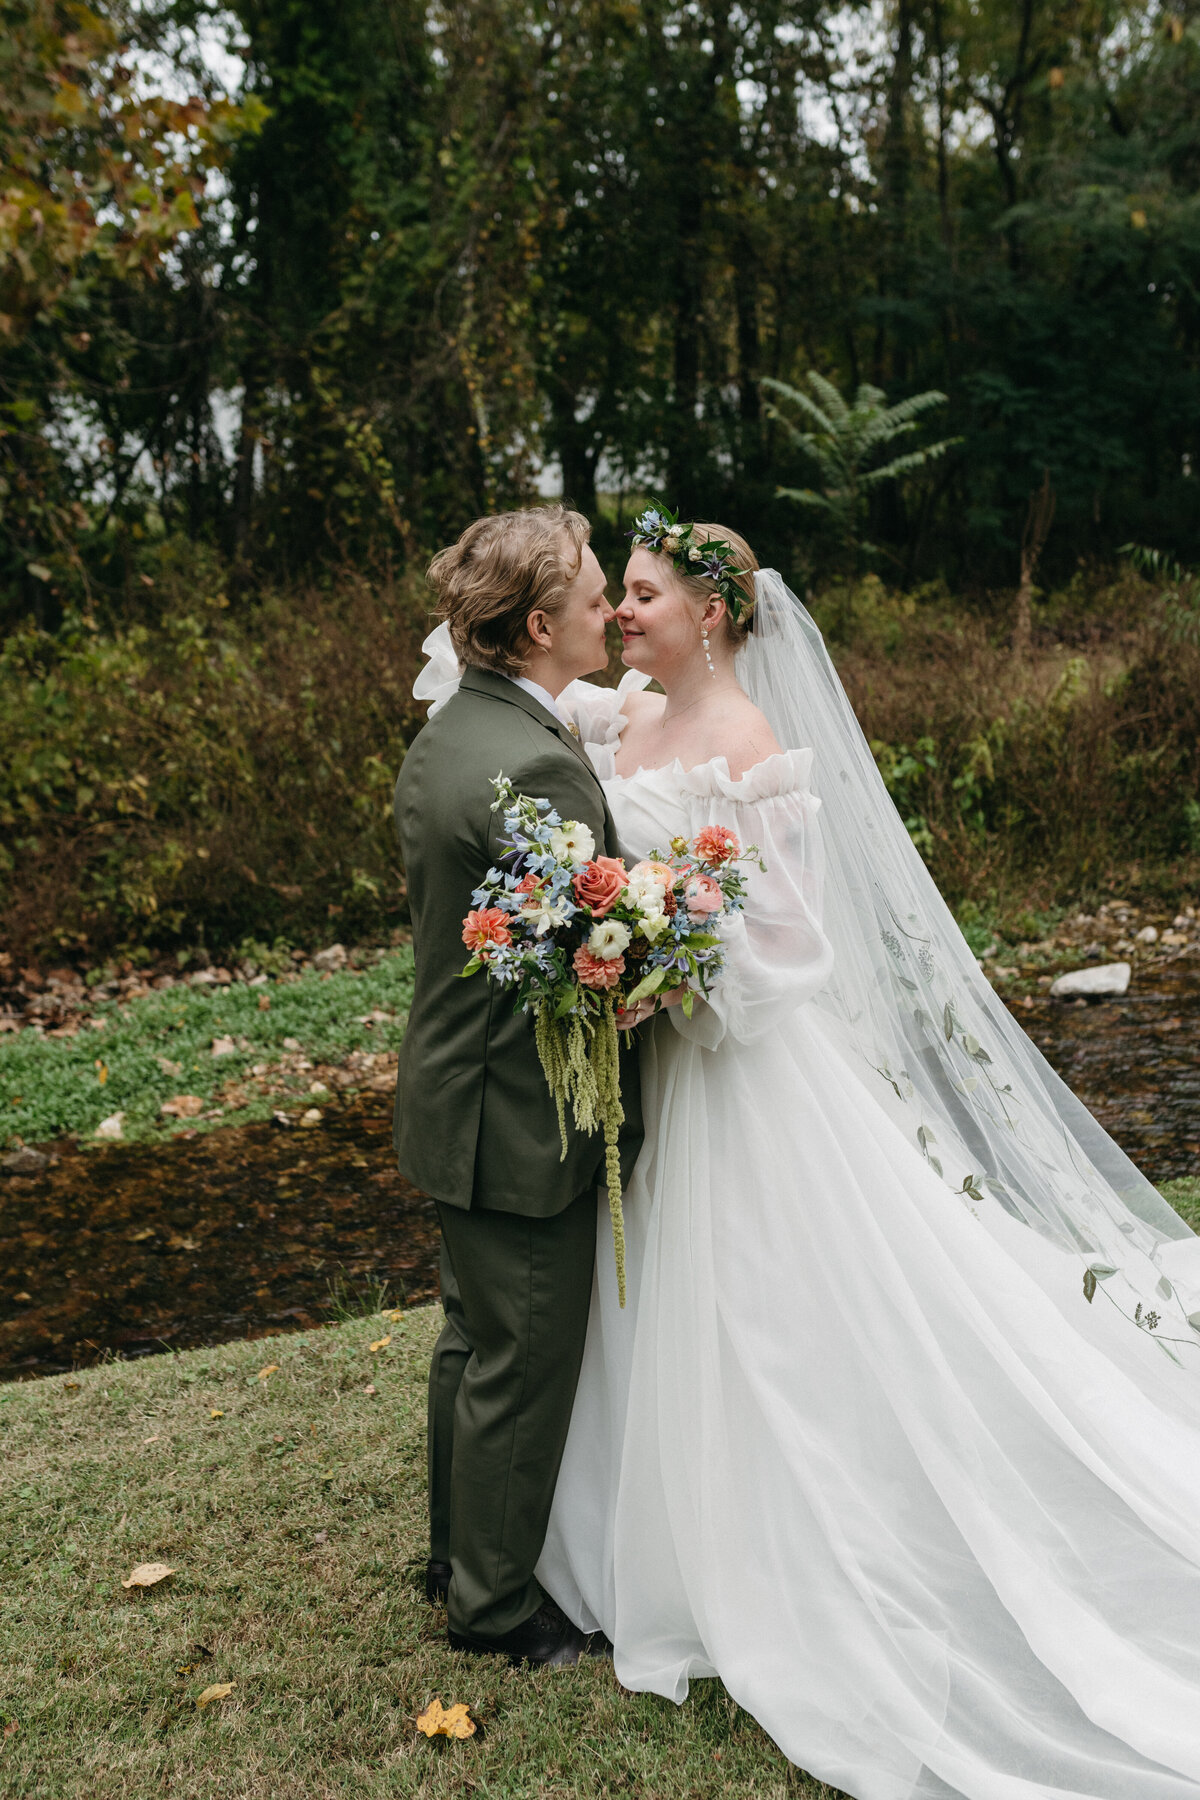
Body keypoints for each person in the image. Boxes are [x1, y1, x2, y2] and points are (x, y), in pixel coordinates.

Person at [415, 508, 1200, 1798]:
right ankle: (592, 1537)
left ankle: (772, 1540)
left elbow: (787, 937)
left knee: (764, 1314)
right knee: (628, 1305)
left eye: (647, 595)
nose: (623, 614)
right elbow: (486, 690)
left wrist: (670, 974)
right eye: (615, 596)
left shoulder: (748, 745)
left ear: (710, 615)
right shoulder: (613, 718)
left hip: (738, 1069)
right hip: (638, 1070)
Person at [392, 503, 643, 1667]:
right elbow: (583, 941)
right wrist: (667, 921)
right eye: (596, 598)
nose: (613, 613)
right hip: (513, 1115)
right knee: (520, 1360)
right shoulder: (534, 763)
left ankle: (456, 1552)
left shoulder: (455, 730)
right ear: (541, 625)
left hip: (453, 1090)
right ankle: (492, 1611)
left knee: (469, 1340)